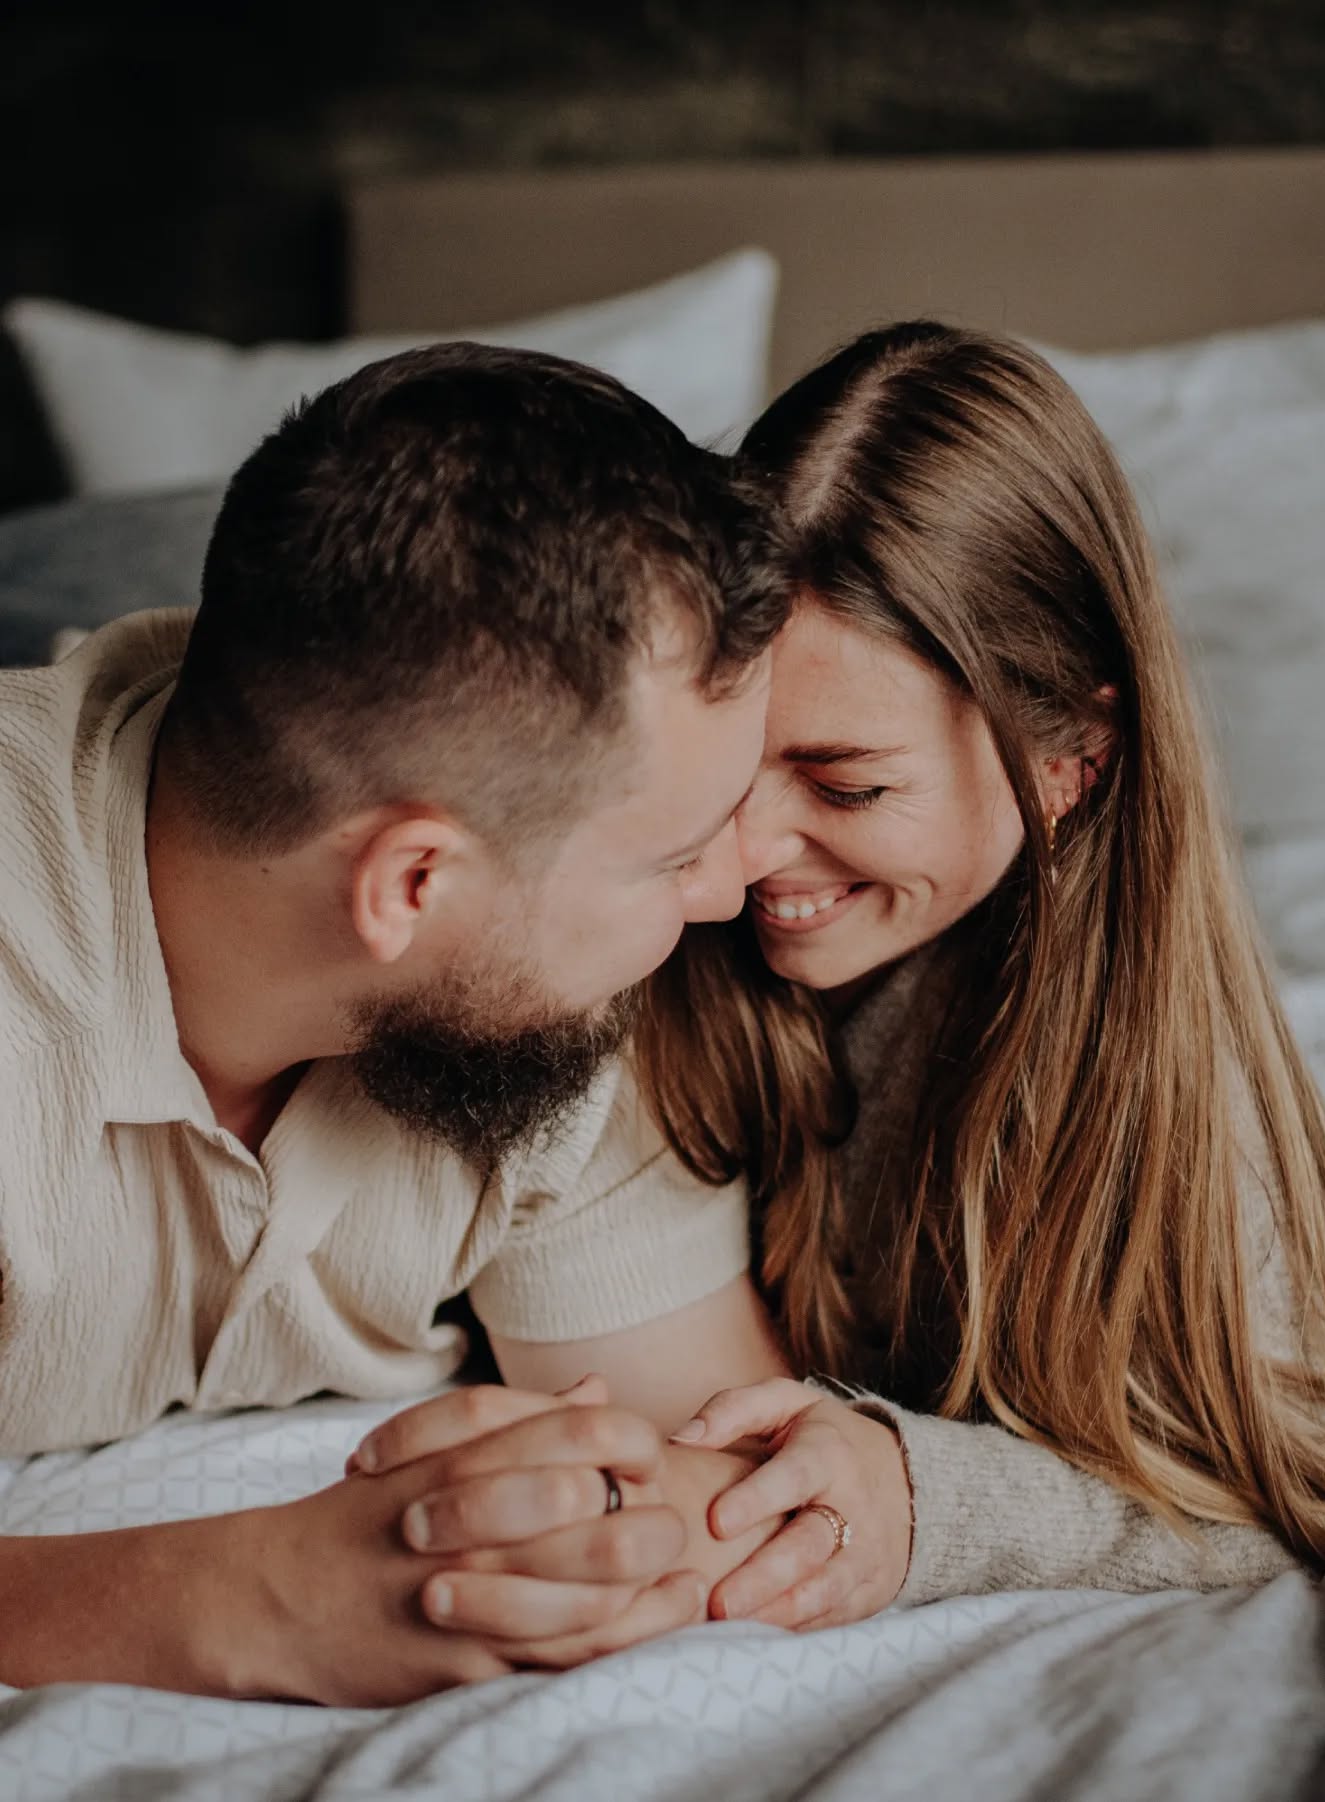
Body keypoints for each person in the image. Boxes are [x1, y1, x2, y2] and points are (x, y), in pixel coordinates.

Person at [366, 321, 1325, 1633]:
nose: (742, 852)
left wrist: (934, 1499)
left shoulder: (1151, 1084)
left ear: (1070, 762)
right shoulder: (618, 931)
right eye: (735, 759)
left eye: (849, 781)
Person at [0, 342, 797, 1703]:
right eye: (674, 856)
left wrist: (561, 1522)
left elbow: (714, 1470)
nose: (737, 888)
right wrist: (247, 1594)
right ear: (412, 883)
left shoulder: (546, 1010)